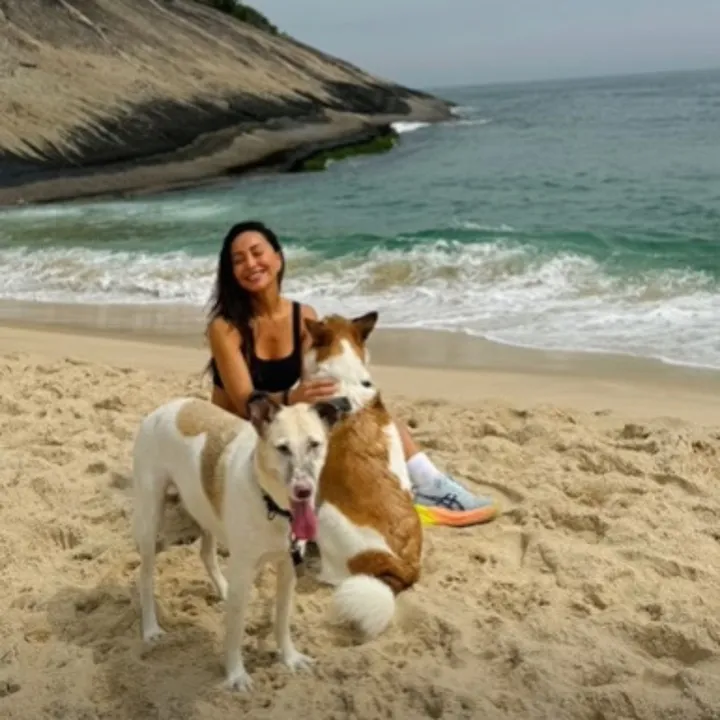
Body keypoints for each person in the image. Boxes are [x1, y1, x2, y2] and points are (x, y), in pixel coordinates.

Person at [206, 220, 497, 527]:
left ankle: (429, 483)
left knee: (365, 403)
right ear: (231, 273)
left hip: (283, 420)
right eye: (238, 260)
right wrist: (293, 397)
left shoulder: (303, 316)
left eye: (257, 253)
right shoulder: (225, 327)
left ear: (278, 259)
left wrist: (343, 397)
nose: (251, 264)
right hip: (239, 433)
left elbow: (314, 384)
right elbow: (243, 403)